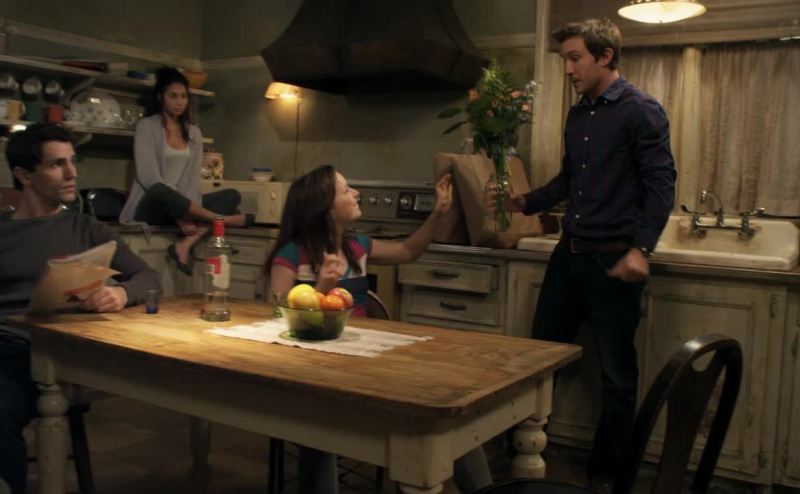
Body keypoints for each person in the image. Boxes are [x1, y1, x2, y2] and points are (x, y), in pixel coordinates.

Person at [502, 19, 676, 491]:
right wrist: (526, 201)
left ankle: (608, 477)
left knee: (617, 376)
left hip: (613, 260)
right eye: (565, 60)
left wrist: (642, 249)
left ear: (605, 56)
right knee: (539, 361)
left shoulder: (641, 111)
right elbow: (568, 180)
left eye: (575, 58)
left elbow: (662, 186)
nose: (568, 69)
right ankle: (518, 458)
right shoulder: (579, 114)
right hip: (568, 256)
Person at [265, 165, 492, 494]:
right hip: (313, 369)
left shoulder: (357, 247)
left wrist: (438, 214)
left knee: (448, 413)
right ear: (324, 208)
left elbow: (408, 250)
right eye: (346, 190)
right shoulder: (290, 255)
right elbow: (276, 317)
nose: (356, 193)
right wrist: (320, 289)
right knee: (319, 427)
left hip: (364, 363)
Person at [0, 124, 161, 494]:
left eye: (73, 161)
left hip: (40, 355)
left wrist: (121, 294)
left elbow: (149, 277)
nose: (72, 173)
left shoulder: (87, 229)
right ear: (24, 175)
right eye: (57, 164)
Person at [118, 67, 252, 276]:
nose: (179, 102)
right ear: (161, 97)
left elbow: (191, 180)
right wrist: (180, 214)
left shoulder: (194, 132)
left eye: (183, 96)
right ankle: (222, 220)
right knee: (160, 189)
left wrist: (186, 212)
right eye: (173, 96)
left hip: (183, 205)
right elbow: (149, 178)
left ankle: (186, 243)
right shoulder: (146, 126)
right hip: (151, 203)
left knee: (231, 195)